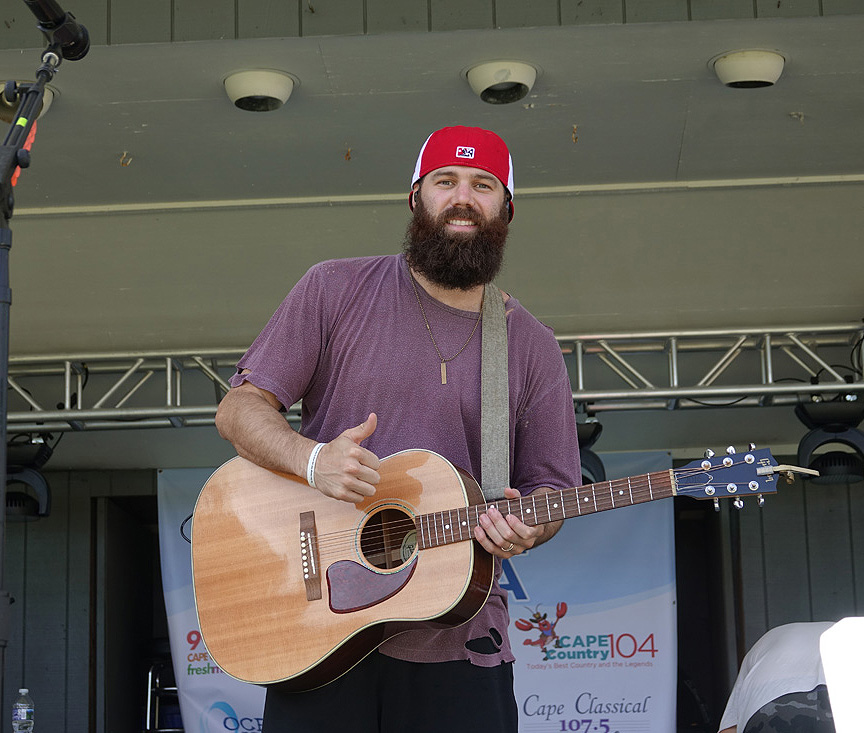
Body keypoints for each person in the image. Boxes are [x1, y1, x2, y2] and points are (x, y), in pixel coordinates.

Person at [214, 125, 581, 732]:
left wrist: (530, 526)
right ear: (416, 198)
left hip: (461, 642)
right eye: (445, 181)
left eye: (483, 185)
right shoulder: (334, 289)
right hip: (320, 636)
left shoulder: (531, 345)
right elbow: (239, 409)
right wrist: (312, 460)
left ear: (506, 210)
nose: (463, 197)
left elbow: (552, 491)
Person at [718, 621, 836, 733]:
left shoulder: (766, 641)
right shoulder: (847, 631)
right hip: (835, 701)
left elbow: (730, 728)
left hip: (769, 703)